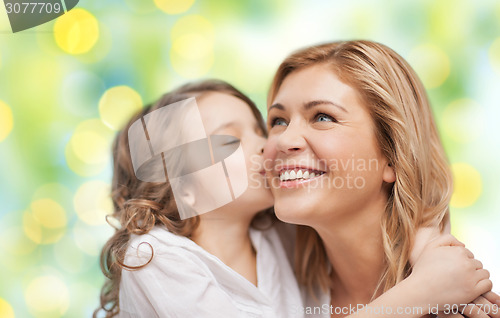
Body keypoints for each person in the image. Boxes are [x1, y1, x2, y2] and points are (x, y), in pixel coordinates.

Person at [93, 79, 497, 318]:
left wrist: (429, 250)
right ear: (181, 186)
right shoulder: (154, 257)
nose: (271, 145)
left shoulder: (278, 235)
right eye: (231, 140)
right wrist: (423, 291)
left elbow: (384, 198)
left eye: (262, 128)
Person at [264, 40, 499, 317]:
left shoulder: (463, 306)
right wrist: (421, 292)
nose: (285, 140)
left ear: (393, 156)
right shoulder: (270, 283)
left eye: (323, 117)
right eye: (278, 121)